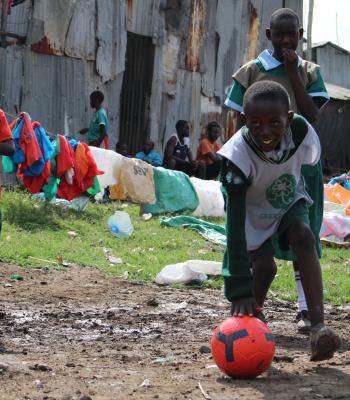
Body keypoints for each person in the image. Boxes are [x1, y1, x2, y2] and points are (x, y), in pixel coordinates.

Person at [219, 81, 340, 361]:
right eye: (255, 123)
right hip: (250, 210)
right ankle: (246, 321)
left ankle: (319, 328)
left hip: (286, 200)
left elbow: (309, 171)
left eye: (274, 122)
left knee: (304, 236)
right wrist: (237, 289)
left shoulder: (300, 133)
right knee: (264, 267)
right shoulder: (235, 157)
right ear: (244, 121)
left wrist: (309, 209)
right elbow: (234, 226)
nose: (265, 131)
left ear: (288, 118)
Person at [224, 8, 329, 332]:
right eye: (278, 34)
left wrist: (293, 70)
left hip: (289, 172)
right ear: (268, 35)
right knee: (264, 266)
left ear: (300, 36)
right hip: (253, 176)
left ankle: (315, 321)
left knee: (303, 235)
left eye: (291, 34)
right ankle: (247, 315)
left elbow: (311, 114)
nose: (285, 40)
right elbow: (241, 120)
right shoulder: (251, 72)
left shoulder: (309, 73)